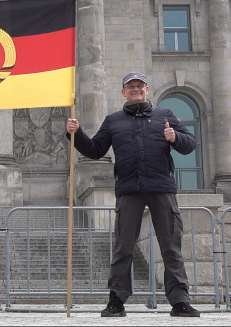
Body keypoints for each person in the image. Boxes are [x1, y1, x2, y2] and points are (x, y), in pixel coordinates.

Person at [66, 71, 200, 318]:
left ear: (147, 90)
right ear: (123, 92)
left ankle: (180, 301)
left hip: (161, 188)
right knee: (123, 247)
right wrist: (76, 134)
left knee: (171, 247)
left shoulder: (165, 116)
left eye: (140, 86)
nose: (136, 89)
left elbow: (190, 144)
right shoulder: (113, 120)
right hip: (129, 190)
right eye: (131, 86)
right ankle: (116, 300)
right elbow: (95, 150)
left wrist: (175, 137)